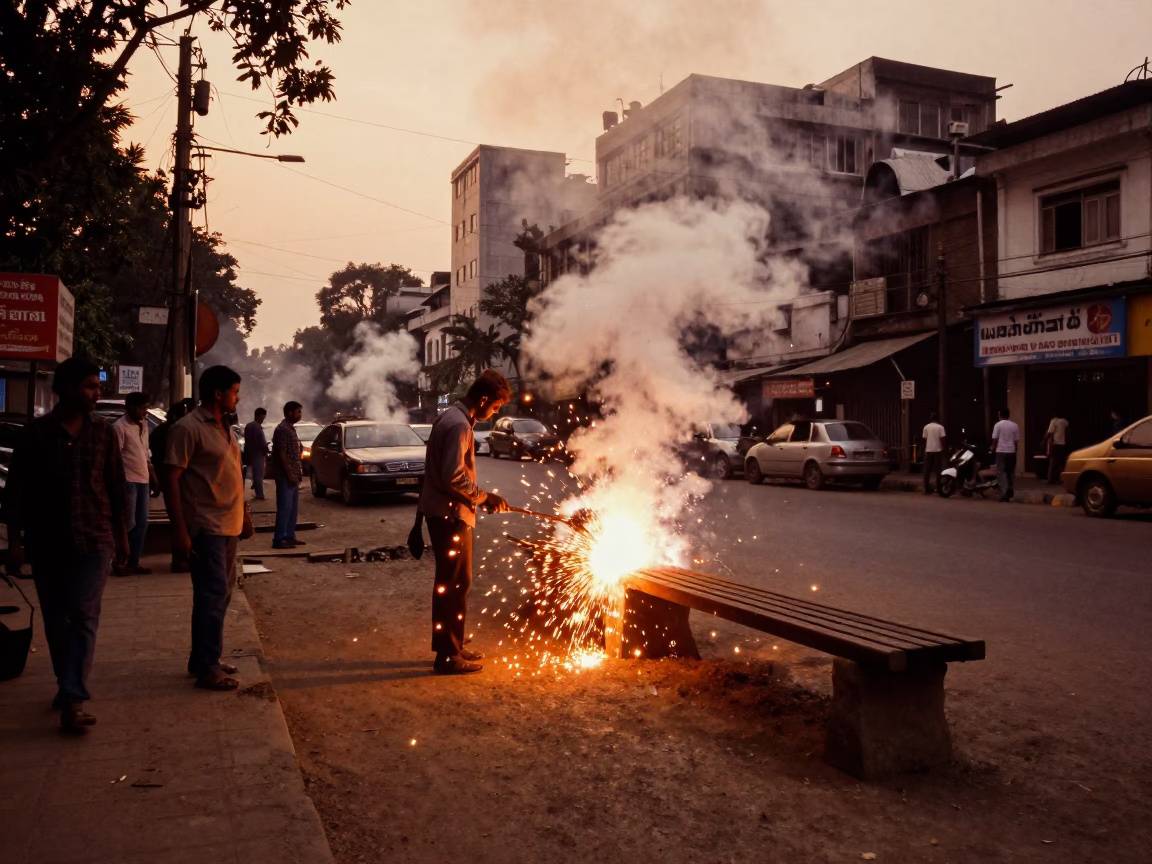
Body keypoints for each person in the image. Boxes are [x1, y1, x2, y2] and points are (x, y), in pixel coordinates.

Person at [5, 357, 129, 729]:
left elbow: (115, 486)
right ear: (68, 389)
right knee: (57, 621)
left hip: (94, 540)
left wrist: (123, 536)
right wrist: (15, 542)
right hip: (47, 542)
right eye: (91, 386)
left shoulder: (104, 432)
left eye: (98, 386)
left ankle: (74, 698)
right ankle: (67, 684)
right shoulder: (36, 434)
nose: (97, 393)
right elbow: (15, 493)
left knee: (83, 617)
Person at [418, 370, 511, 675]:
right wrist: (485, 497)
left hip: (445, 512)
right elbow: (453, 477)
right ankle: (447, 656)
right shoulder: (459, 425)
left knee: (452, 584)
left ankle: (451, 646)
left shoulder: (450, 417)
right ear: (483, 399)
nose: (493, 413)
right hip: (450, 516)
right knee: (456, 584)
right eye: (495, 407)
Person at [166, 365, 253, 691]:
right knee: (212, 596)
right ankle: (208, 668)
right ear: (218, 393)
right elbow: (171, 479)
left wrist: (242, 514)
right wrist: (180, 531)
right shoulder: (188, 429)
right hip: (207, 528)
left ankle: (203, 658)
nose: (237, 396)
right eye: (234, 390)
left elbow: (230, 473)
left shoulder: (224, 428)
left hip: (227, 526)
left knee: (218, 595)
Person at [112, 391, 159, 576]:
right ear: (130, 407)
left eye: (146, 408)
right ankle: (120, 562)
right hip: (128, 480)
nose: (145, 412)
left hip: (143, 479)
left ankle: (133, 562)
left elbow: (145, 452)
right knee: (127, 523)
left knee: (141, 524)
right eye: (142, 408)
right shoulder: (119, 427)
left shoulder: (144, 425)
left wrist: (152, 475)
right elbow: (115, 458)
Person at [151, 399, 194, 572]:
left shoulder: (164, 430)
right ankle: (181, 559)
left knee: (178, 521)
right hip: (174, 479)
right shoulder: (173, 431)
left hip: (169, 477)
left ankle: (181, 558)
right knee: (180, 521)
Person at [268, 401, 304, 549]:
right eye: (298, 412)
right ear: (289, 412)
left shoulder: (290, 429)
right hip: (285, 476)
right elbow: (282, 453)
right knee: (284, 507)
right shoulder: (283, 429)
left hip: (293, 475)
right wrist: (289, 473)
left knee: (292, 508)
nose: (300, 415)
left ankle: (289, 536)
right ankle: (279, 539)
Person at [991, 407, 1021, 503]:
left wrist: (993, 448)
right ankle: (1010, 490)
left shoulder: (998, 425)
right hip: (1011, 451)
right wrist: (1015, 450)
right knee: (1010, 472)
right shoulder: (1015, 425)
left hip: (1001, 451)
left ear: (1000, 415)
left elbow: (995, 439)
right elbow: (1016, 441)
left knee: (1001, 472)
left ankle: (1004, 492)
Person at [243, 407, 269, 500]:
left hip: (251, 453)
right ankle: (260, 494)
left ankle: (257, 490)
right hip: (258, 453)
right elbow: (261, 442)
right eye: (263, 417)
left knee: (255, 474)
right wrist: (266, 450)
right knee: (259, 475)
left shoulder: (248, 426)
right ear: (259, 416)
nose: (263, 419)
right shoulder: (257, 427)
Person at [921, 412, 947, 495]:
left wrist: (926, 448)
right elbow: (942, 439)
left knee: (927, 471)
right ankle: (939, 489)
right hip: (937, 451)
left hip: (928, 451)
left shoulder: (926, 427)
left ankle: (926, 489)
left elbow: (924, 440)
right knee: (938, 471)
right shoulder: (940, 427)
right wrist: (944, 448)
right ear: (937, 419)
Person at [1043, 409, 1070, 485]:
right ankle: (1063, 479)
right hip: (1063, 444)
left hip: (1055, 443)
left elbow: (1049, 433)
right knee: (1061, 463)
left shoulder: (1054, 421)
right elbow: (1068, 433)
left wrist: (1043, 440)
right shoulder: (1065, 422)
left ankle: (1050, 479)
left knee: (1052, 462)